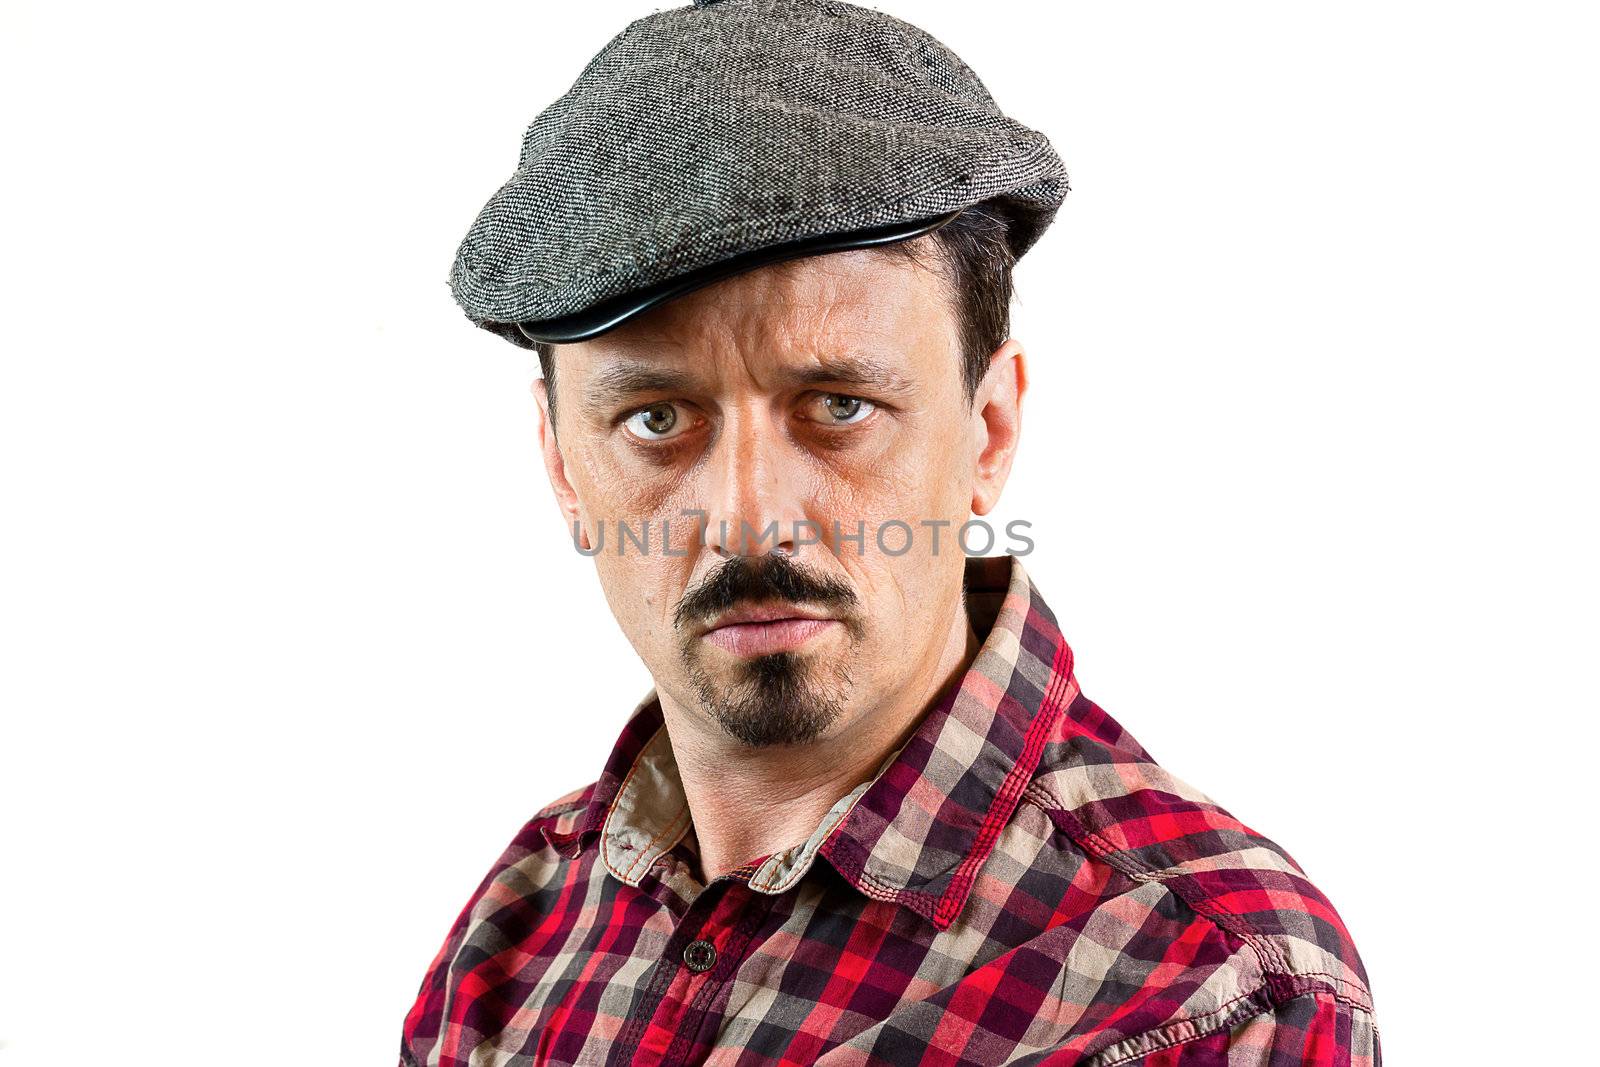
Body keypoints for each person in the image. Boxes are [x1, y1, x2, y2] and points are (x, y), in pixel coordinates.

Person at [400, 1, 1379, 1063]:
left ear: (988, 429)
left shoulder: (1201, 985)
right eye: (656, 420)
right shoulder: (521, 924)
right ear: (562, 464)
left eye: (838, 407)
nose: (748, 515)